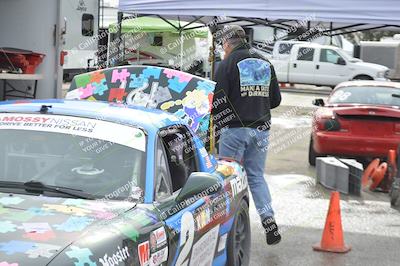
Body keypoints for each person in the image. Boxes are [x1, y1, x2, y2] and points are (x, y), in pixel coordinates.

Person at [211, 25, 282, 245]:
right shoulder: (265, 62)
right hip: (260, 129)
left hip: (234, 130)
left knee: (227, 178)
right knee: (256, 176)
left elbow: (218, 100)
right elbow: (276, 100)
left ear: (227, 43)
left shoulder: (227, 64)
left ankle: (228, 229)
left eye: (223, 45)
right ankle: (268, 220)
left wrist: (219, 126)